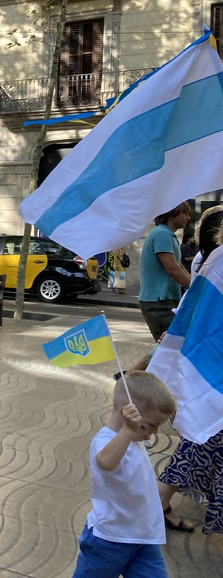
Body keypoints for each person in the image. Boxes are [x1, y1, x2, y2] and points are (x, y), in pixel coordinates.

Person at [154, 210, 223, 535]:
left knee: (202, 441)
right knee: (202, 440)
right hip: (213, 376)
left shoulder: (215, 259)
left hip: (210, 377)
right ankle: (157, 501)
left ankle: (158, 501)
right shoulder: (216, 261)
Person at [72, 372, 176, 577]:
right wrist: (129, 429)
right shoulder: (106, 440)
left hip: (143, 537)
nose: (154, 432)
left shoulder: (136, 438)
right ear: (126, 413)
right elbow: (105, 462)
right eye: (150, 425)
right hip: (110, 539)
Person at [139, 202, 191, 342]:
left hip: (164, 300)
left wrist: (195, 284)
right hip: (158, 301)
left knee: (172, 345)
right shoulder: (162, 234)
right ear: (172, 215)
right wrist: (196, 289)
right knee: (173, 344)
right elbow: (173, 270)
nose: (188, 217)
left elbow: (179, 266)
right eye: (185, 213)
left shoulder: (168, 235)